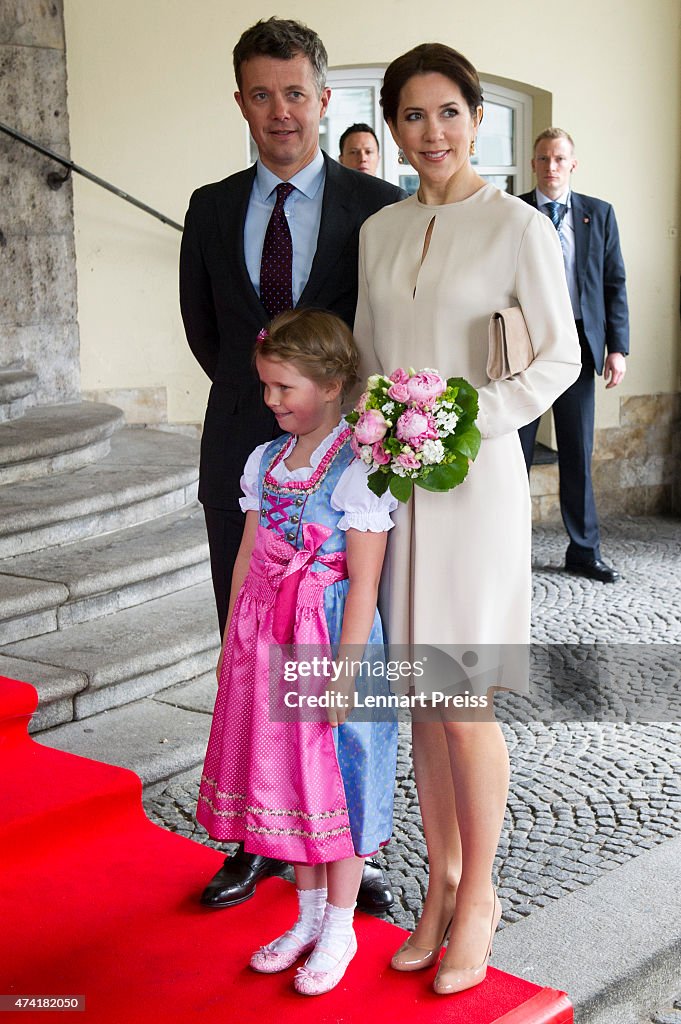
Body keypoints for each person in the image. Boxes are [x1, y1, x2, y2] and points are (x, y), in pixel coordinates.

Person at [353, 44, 581, 995]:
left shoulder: (517, 224)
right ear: (393, 126)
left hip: (475, 485)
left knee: (463, 703)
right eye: (411, 116)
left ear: (477, 119)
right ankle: (438, 885)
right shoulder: (381, 229)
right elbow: (368, 351)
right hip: (398, 495)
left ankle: (480, 892)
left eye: (447, 113)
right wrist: (374, 429)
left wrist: (461, 416)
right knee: (419, 704)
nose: (430, 133)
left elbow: (559, 356)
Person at [179, 16, 404, 912]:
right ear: (241, 101)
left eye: (296, 93)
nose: (281, 112)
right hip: (243, 451)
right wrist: (273, 426)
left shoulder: (377, 206)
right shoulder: (209, 204)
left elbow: (383, 334)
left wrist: (329, 432)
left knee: (346, 658)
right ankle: (254, 837)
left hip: (345, 468)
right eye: (261, 94)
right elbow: (210, 336)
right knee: (250, 655)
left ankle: (354, 841)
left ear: (324, 98)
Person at [196, 309, 399, 995]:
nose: (272, 401)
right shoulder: (265, 460)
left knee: (337, 778)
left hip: (329, 638)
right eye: (266, 387)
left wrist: (345, 675)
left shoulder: (359, 468)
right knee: (289, 780)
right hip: (269, 635)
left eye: (285, 388)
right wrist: (232, 644)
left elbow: (364, 579)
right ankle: (306, 916)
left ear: (334, 384)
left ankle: (340, 925)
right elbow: (250, 552)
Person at [518, 128, 630, 583]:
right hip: (524, 350)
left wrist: (618, 347)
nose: (551, 167)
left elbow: (613, 283)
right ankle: (505, 548)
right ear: (533, 164)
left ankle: (584, 551)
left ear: (572, 164)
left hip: (581, 348)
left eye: (559, 159)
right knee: (514, 453)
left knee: (577, 452)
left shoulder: (598, 214)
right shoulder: (514, 211)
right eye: (543, 158)